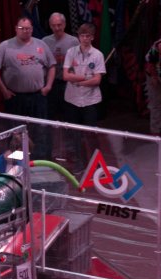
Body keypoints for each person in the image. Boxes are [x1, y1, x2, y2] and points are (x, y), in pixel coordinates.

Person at [0, 16, 55, 160]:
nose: (25, 31)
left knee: (40, 130)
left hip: (38, 96)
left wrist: (48, 86)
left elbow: (51, 66)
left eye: (28, 28)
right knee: (15, 131)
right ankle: (17, 161)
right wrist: (4, 90)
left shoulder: (41, 45)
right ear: (16, 29)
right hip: (15, 97)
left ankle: (40, 161)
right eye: (22, 28)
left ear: (32, 29)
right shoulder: (5, 46)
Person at [61, 22, 105, 172]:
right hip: (72, 99)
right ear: (78, 36)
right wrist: (86, 78)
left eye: (87, 36)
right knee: (74, 134)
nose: (84, 39)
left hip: (90, 101)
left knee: (91, 134)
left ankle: (96, 165)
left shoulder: (98, 55)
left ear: (92, 37)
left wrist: (79, 81)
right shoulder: (71, 52)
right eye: (82, 36)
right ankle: (79, 163)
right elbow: (66, 76)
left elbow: (97, 80)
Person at [43, 13, 78, 121]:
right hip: (51, 84)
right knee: (50, 114)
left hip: (68, 83)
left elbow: (78, 63)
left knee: (70, 115)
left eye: (59, 25)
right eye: (54, 25)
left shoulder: (74, 41)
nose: (57, 28)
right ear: (50, 26)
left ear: (64, 24)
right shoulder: (44, 41)